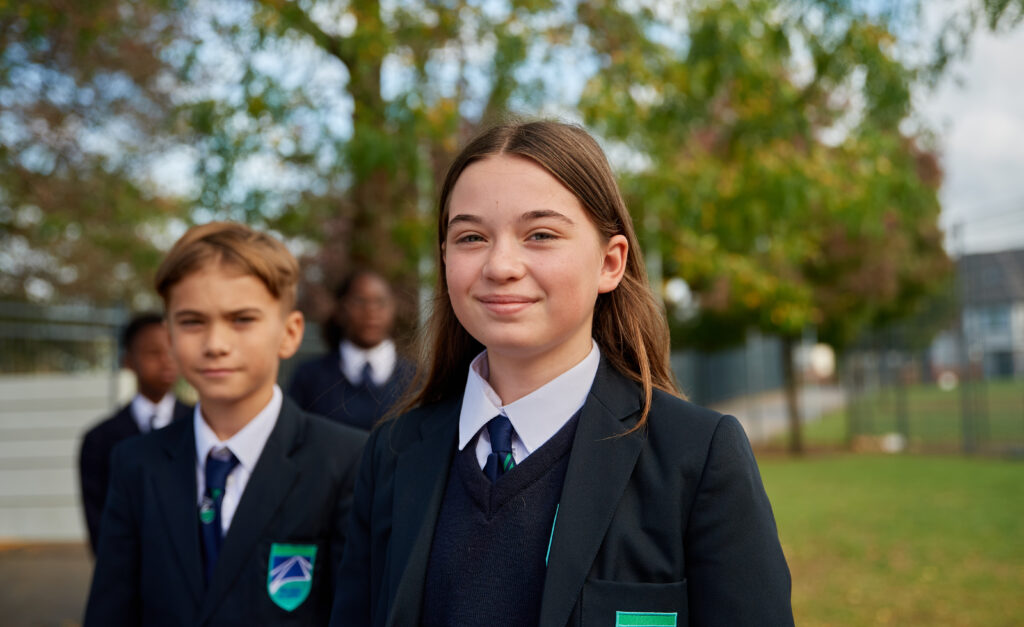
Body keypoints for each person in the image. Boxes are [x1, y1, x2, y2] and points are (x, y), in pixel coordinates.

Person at [331, 121, 793, 627]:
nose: (500, 265)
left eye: (541, 235)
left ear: (610, 263)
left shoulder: (697, 458)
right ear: (444, 259)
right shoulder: (393, 455)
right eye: (470, 237)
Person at [84, 222, 366, 626]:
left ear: (289, 334)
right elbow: (111, 611)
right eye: (192, 321)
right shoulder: (135, 463)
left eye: (241, 319)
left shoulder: (347, 461)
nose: (215, 343)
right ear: (169, 335)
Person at [78, 312, 190, 554]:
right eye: (153, 352)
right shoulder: (99, 439)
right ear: (127, 360)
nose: (166, 360)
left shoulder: (203, 425)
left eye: (172, 349)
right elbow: (97, 518)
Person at [288, 270, 415, 430]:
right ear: (341, 309)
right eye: (360, 301)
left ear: (393, 308)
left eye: (380, 302)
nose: (371, 312)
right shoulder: (308, 378)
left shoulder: (418, 381)